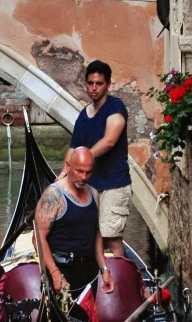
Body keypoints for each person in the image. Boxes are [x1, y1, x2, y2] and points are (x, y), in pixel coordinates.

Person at [59, 59, 131, 259]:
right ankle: (96, 273)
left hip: (114, 185)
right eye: (90, 83)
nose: (94, 88)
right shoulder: (84, 114)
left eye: (99, 83)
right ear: (86, 84)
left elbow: (109, 141)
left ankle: (119, 276)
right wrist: (64, 174)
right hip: (91, 187)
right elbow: (74, 147)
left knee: (111, 238)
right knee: (91, 236)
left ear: (108, 85)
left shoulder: (115, 108)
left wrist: (83, 160)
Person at [34, 147, 114, 298]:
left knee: (86, 312)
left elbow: (96, 234)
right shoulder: (53, 195)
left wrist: (104, 269)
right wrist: (55, 273)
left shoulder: (94, 194)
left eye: (88, 172)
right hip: (62, 269)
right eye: (79, 171)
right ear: (68, 166)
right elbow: (38, 239)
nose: (84, 177)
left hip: (89, 271)